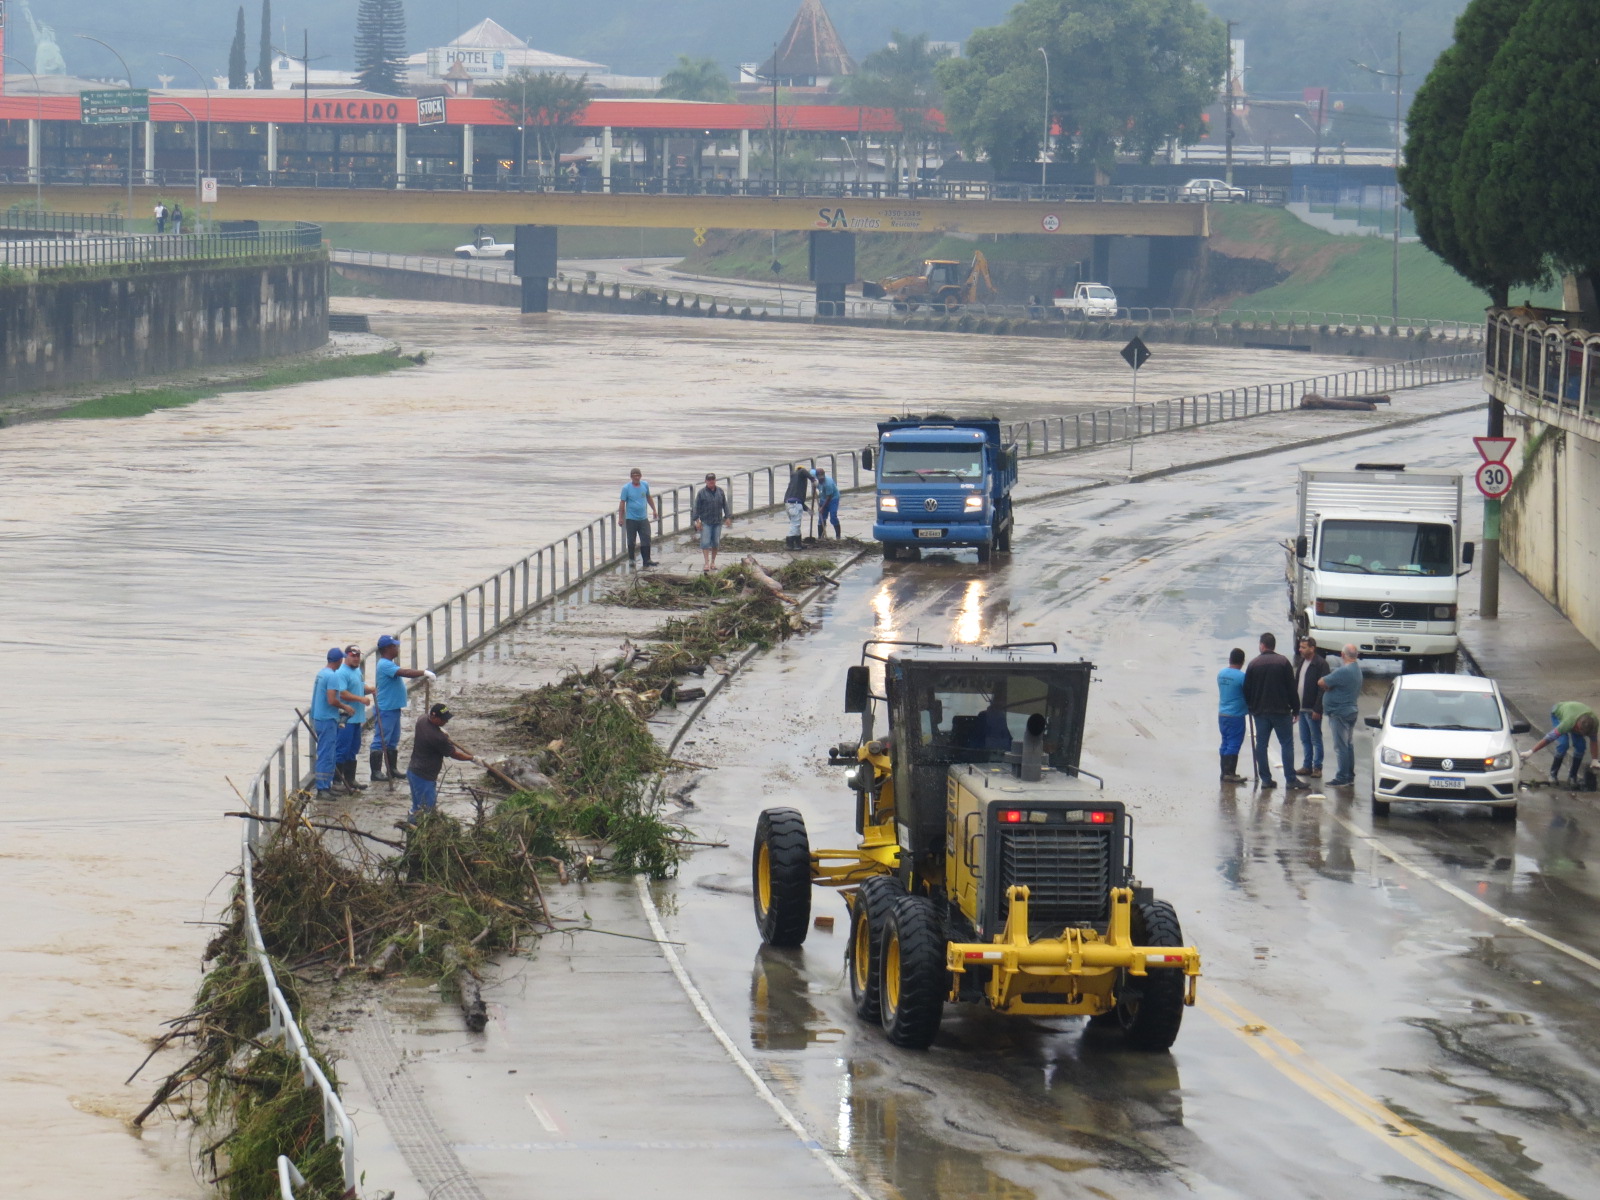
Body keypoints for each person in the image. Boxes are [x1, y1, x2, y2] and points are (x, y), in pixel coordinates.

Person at [370, 634, 435, 784]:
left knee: (393, 739)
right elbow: (404, 672)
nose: (397, 648)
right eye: (395, 646)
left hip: (393, 707)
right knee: (381, 740)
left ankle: (391, 768)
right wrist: (423, 672)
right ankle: (376, 772)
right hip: (385, 708)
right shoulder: (384, 664)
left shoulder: (388, 663)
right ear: (387, 648)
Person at [1243, 632, 1304, 790]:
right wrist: (1296, 709)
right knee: (1286, 744)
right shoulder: (1283, 662)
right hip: (1281, 711)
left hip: (1261, 713)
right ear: (1273, 645)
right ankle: (1290, 780)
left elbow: (1247, 690)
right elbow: (1292, 688)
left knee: (1261, 745)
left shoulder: (1253, 664)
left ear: (1262, 645)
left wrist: (1251, 707)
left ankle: (1266, 779)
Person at [405, 702, 477, 817]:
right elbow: (454, 754)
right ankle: (418, 831)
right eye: (443, 719)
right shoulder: (437, 737)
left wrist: (439, 729)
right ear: (433, 716)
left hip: (413, 771)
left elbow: (429, 724)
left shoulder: (422, 720)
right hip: (424, 777)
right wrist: (472, 758)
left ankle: (411, 828)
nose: (446, 722)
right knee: (427, 812)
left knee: (417, 807)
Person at [1318, 644, 1363, 786]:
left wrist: (1328, 686)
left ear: (1343, 655)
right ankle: (1349, 774)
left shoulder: (1344, 671)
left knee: (1341, 746)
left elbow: (1321, 681)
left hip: (1339, 712)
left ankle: (1342, 776)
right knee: (1348, 744)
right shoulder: (1357, 670)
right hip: (1351, 710)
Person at [311, 647, 353, 796]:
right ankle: (322, 788)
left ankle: (326, 786)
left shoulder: (322, 673)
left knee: (328, 753)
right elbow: (331, 699)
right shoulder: (333, 676)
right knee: (326, 754)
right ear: (339, 660)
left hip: (319, 717)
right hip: (327, 719)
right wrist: (344, 706)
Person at [1527, 701, 1600, 787]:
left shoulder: (1593, 724)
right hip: (1558, 713)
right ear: (1577, 726)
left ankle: (1573, 776)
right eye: (1580, 732)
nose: (1582, 734)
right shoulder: (1567, 723)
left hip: (1576, 714)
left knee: (1581, 746)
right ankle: (1553, 774)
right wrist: (1531, 751)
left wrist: (1594, 759)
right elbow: (1549, 738)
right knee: (1563, 744)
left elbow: (1594, 741)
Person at [334, 644, 374, 792]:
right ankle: (337, 781)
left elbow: (360, 686)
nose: (356, 658)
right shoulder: (341, 673)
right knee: (341, 749)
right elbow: (342, 693)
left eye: (358, 655)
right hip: (345, 719)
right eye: (353, 655)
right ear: (346, 656)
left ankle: (350, 779)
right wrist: (360, 699)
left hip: (357, 718)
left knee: (353, 749)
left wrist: (370, 690)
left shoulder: (357, 671)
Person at [1295, 637, 1330, 777]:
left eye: (1303, 647)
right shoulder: (1302, 662)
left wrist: (1318, 708)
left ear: (1312, 648)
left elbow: (1323, 689)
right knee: (1305, 739)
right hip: (1302, 708)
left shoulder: (1321, 664)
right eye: (1300, 647)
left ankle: (1317, 767)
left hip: (1312, 709)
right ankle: (1306, 765)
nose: (1300, 649)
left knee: (1316, 738)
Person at [617, 467, 659, 568]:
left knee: (646, 538)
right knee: (631, 540)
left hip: (643, 518)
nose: (636, 477)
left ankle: (647, 560)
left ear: (641, 476)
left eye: (638, 475)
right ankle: (632, 559)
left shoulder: (645, 485)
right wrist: (620, 518)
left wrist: (654, 510)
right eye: (634, 475)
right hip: (631, 518)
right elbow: (622, 503)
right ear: (631, 477)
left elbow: (648, 497)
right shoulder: (626, 488)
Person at [1217, 647, 1248, 782]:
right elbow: (1248, 693)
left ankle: (1224, 771)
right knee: (1234, 743)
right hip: (1236, 715)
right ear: (1242, 662)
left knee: (1225, 741)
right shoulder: (1242, 677)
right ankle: (1230, 772)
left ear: (1230, 659)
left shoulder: (1221, 673)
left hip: (1222, 714)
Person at [693, 472, 732, 572]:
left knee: (715, 542)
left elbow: (725, 505)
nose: (711, 481)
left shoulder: (720, 492)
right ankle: (706, 563)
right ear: (706, 481)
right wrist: (697, 521)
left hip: (718, 521)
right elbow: (696, 507)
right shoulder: (701, 493)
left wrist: (727, 517)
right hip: (705, 521)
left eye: (712, 480)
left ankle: (713, 562)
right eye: (709, 480)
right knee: (705, 542)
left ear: (715, 480)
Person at [784, 465, 814, 551]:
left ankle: (798, 544)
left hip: (789, 504)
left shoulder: (793, 484)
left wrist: (807, 509)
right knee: (795, 525)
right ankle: (789, 544)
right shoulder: (801, 472)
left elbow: (799, 500)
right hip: (795, 505)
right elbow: (802, 471)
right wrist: (813, 479)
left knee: (796, 524)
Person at [816, 467, 841, 541]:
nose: (821, 479)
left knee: (833, 516)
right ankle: (820, 537)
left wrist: (822, 507)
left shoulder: (828, 483)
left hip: (833, 499)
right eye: (819, 478)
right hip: (823, 498)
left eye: (822, 478)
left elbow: (829, 497)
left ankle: (838, 537)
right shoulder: (816, 478)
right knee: (821, 517)